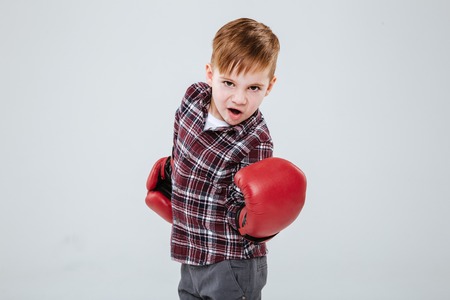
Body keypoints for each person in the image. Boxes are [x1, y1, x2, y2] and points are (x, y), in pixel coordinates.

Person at [145, 18, 306, 299]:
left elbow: (243, 211)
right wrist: (172, 174)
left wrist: (257, 217)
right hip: (192, 250)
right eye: (229, 83)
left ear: (270, 86)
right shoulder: (193, 99)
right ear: (210, 73)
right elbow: (179, 143)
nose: (239, 98)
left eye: (253, 87)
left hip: (232, 262)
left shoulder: (256, 140)